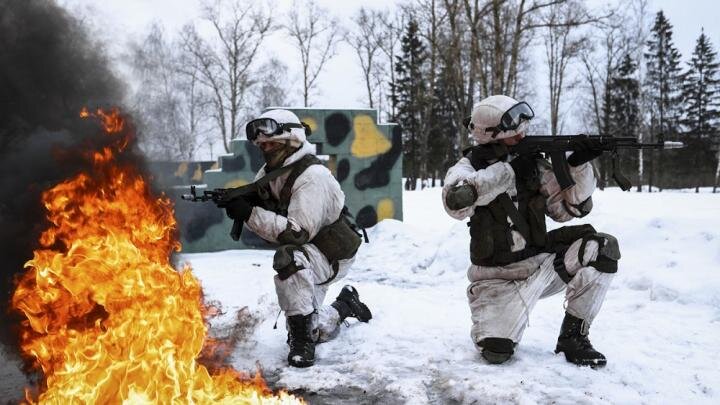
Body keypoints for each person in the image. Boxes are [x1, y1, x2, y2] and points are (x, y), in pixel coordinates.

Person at [442, 95, 620, 367]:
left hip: (540, 267)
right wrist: (507, 171)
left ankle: (573, 337)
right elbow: (455, 201)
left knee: (602, 247)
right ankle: (500, 328)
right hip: (495, 280)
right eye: (515, 134)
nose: (523, 136)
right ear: (492, 136)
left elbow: (568, 210)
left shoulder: (532, 165)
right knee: (496, 353)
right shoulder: (468, 167)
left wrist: (578, 165)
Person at [222, 109, 372, 368]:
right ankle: (345, 305)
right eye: (262, 145)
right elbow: (265, 198)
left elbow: (296, 232)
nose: (266, 149)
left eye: (272, 143)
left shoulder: (313, 176)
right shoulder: (273, 172)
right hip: (312, 251)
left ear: (291, 141)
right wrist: (245, 199)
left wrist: (249, 213)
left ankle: (301, 343)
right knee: (313, 326)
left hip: (331, 253)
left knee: (287, 256)